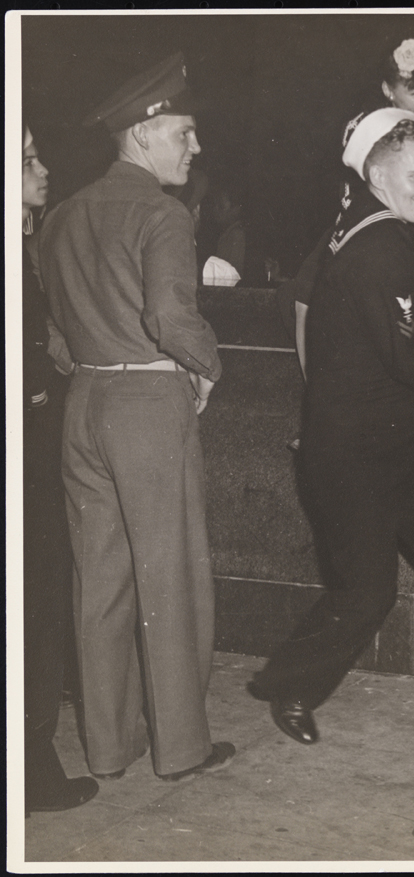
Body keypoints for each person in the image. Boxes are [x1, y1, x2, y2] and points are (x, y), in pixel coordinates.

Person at [247, 110, 414, 752]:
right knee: (367, 596)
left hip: (393, 446)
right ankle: (286, 685)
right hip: (348, 458)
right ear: (377, 174)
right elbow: (405, 361)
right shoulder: (378, 248)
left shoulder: (385, 224)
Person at [39, 53, 235, 782]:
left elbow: (56, 335)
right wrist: (206, 365)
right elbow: (170, 316)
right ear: (145, 133)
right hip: (149, 405)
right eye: (183, 133)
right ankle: (181, 746)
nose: (195, 147)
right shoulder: (161, 213)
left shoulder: (60, 216)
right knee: (170, 574)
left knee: (100, 580)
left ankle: (107, 746)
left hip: (83, 403)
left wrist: (94, 361)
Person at [287, 35, 414, 384]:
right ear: (388, 90)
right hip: (365, 228)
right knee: (304, 294)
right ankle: (319, 397)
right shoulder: (366, 128)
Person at [22, 124, 100, 815]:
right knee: (38, 606)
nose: (42, 168)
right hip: (28, 459)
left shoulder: (29, 244)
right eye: (25, 160)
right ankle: (33, 768)